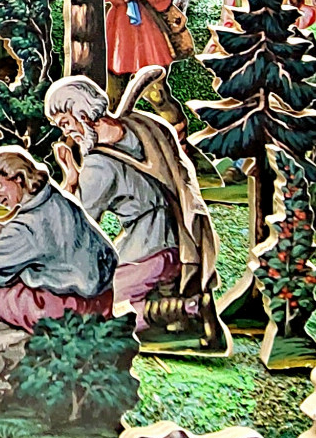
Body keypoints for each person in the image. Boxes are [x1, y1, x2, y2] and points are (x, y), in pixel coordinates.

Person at [44, 75, 219, 336]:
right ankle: (172, 305)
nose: (66, 133)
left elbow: (76, 224)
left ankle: (186, 309)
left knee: (90, 310)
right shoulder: (144, 126)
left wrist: (70, 180)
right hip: (182, 246)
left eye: (65, 123)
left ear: (82, 113)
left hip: (148, 253)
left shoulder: (98, 166)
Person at [0, 147, 118, 331]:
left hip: (63, 315)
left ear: (18, 178)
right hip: (101, 303)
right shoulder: (62, 203)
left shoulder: (23, 228)